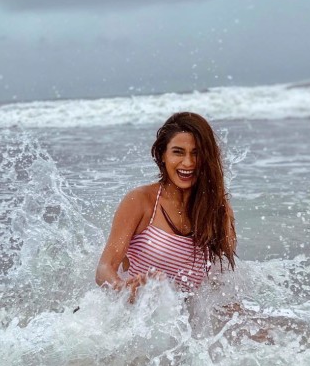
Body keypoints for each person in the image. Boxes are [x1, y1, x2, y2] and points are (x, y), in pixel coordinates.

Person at [95, 112, 236, 300]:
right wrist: (122, 288)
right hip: (133, 320)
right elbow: (105, 268)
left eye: (196, 153)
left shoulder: (219, 211)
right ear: (162, 155)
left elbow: (221, 280)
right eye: (178, 152)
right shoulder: (141, 201)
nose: (188, 162)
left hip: (187, 327)